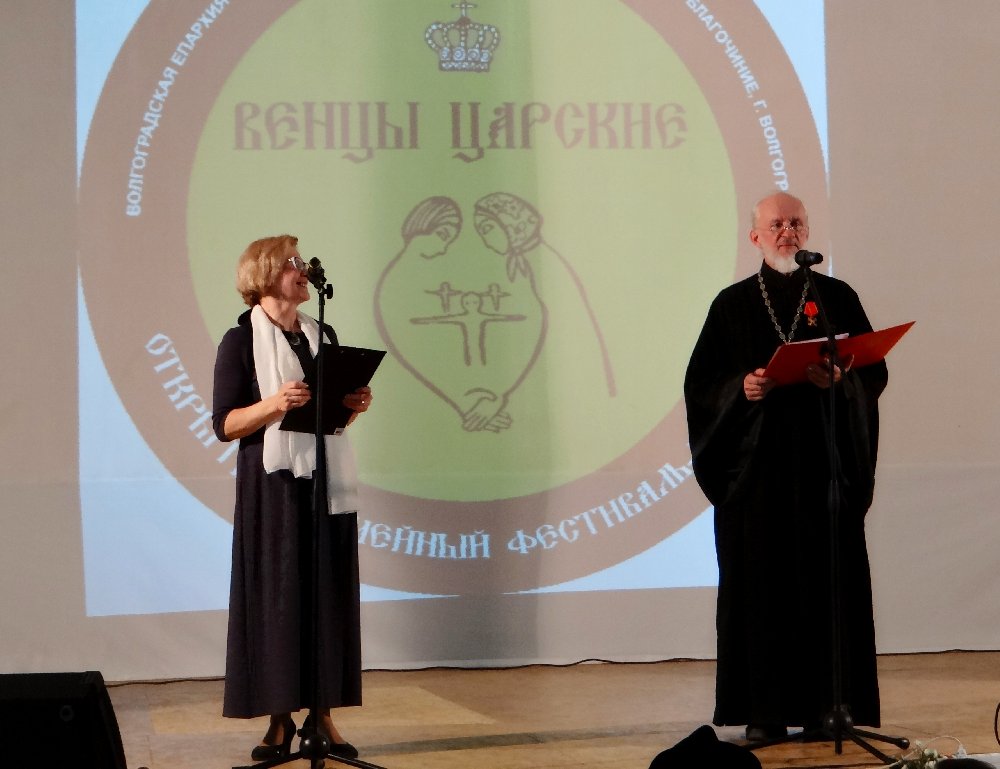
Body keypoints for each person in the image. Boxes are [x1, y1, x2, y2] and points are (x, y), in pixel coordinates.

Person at [684, 192, 888, 742]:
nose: (787, 232)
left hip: (824, 468)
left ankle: (829, 707)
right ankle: (765, 712)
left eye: (795, 222)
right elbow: (701, 386)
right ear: (755, 236)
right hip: (757, 475)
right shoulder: (730, 305)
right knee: (761, 590)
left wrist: (841, 380)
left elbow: (873, 370)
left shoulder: (836, 298)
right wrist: (742, 387)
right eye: (775, 224)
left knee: (827, 587)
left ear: (807, 231)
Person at [212, 234, 373, 761]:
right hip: (273, 486)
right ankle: (279, 717)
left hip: (324, 480)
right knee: (279, 598)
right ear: (264, 274)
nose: (303, 270)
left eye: (302, 263)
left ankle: (322, 714)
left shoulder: (321, 333)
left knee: (326, 594)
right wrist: (275, 403)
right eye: (292, 263)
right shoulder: (239, 341)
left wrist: (351, 406)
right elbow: (225, 424)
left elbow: (326, 418)